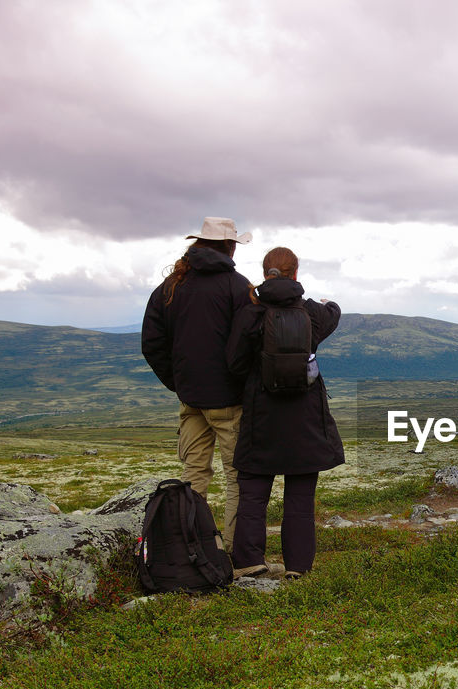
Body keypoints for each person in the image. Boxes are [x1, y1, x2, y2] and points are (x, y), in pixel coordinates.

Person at [226, 247, 344, 579]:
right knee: (301, 498)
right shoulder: (313, 314)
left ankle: (249, 561)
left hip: (262, 415)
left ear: (265, 274)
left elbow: (234, 363)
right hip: (306, 418)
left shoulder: (251, 313)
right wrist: (329, 302)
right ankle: (298, 568)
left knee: (253, 492)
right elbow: (333, 314)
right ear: (295, 274)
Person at [141, 217, 253, 554]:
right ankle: (236, 554)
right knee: (238, 478)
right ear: (230, 246)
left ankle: (192, 552)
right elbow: (248, 343)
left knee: (193, 475)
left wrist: (178, 382)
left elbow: (152, 343)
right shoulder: (238, 286)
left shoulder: (171, 286)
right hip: (229, 400)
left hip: (190, 399)